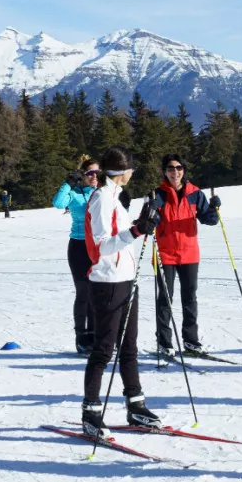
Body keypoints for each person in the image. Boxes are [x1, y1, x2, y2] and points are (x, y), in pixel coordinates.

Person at [81, 146, 162, 438]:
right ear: (124, 172)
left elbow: (125, 234)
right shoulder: (102, 198)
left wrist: (143, 222)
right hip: (107, 282)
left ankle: (136, 404)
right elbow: (102, 245)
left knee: (129, 347)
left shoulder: (115, 197)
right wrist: (137, 230)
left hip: (126, 278)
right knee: (103, 350)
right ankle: (90, 411)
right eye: (131, 170)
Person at [149, 154, 219, 357]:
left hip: (189, 253)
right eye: (170, 168)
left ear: (183, 170)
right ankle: (164, 342)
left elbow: (209, 219)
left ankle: (191, 341)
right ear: (165, 171)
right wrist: (151, 212)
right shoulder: (156, 195)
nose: (175, 172)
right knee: (165, 299)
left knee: (190, 298)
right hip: (165, 254)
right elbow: (147, 222)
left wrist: (214, 208)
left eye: (178, 168)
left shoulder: (195, 194)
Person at [53, 157, 101, 354]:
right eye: (90, 173)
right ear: (83, 175)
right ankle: (82, 338)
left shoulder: (102, 193)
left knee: (97, 293)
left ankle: (95, 335)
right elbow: (58, 203)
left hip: (98, 246)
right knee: (83, 292)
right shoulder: (75, 193)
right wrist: (68, 183)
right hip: (79, 245)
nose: (94, 177)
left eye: (97, 173)